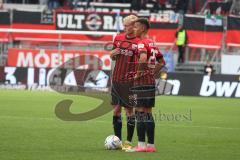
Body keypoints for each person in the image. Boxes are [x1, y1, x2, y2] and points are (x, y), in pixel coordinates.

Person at [127, 18, 165, 152]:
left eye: (136, 27)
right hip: (150, 82)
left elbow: (142, 58)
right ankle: (151, 146)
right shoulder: (152, 43)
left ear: (143, 29)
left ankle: (141, 145)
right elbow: (162, 62)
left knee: (139, 112)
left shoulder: (142, 43)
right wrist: (152, 73)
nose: (133, 29)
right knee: (148, 113)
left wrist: (138, 74)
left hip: (141, 83)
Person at [110, 15, 140, 151]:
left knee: (129, 111)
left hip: (130, 82)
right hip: (116, 79)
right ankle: (117, 141)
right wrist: (112, 54)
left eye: (127, 26)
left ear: (134, 26)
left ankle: (128, 141)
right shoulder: (118, 38)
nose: (125, 28)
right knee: (116, 110)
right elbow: (113, 55)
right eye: (124, 25)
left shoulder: (140, 42)